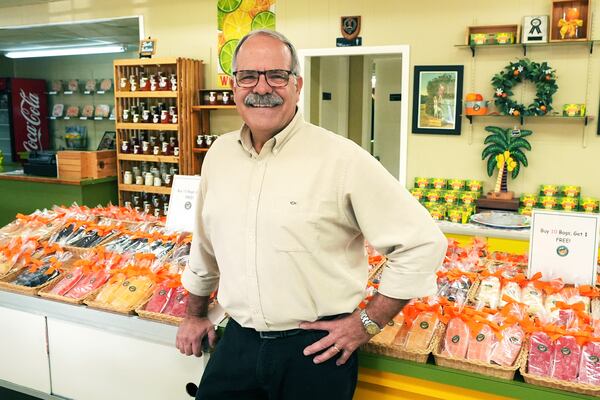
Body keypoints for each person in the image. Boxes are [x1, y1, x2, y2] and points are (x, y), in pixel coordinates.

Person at [176, 29, 447, 400]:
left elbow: (421, 243)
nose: (262, 87)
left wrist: (368, 321)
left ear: (297, 84)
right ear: (234, 85)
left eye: (276, 75)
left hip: (316, 352)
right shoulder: (219, 156)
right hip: (236, 341)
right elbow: (205, 246)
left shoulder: (342, 159)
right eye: (248, 76)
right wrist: (194, 313)